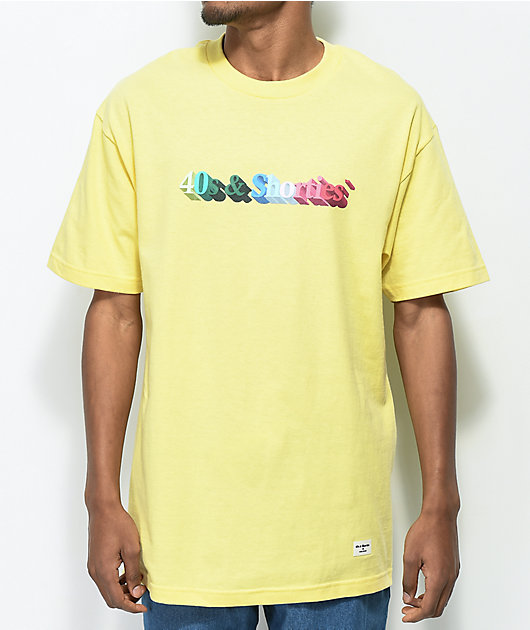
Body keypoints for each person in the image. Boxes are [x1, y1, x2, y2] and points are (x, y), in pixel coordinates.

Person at [46, 1, 490, 628]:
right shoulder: (140, 108)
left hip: (335, 532)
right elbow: (114, 312)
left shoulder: (390, 112)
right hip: (186, 531)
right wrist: (100, 497)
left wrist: (441, 503)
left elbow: (421, 313)